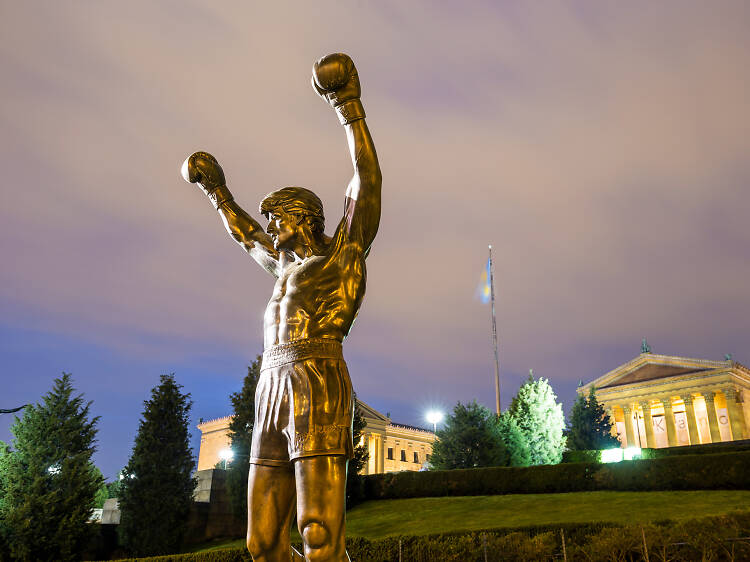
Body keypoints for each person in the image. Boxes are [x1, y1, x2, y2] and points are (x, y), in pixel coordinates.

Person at [182, 53, 381, 562]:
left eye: (277, 218)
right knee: (262, 542)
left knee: (317, 532)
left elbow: (366, 183)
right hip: (271, 386)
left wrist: (348, 106)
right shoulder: (283, 268)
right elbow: (245, 234)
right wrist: (216, 190)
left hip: (316, 376)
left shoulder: (341, 256)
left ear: (303, 216)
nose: (268, 228)